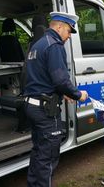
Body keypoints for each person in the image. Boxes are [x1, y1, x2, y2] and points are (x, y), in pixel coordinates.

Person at [23, 11, 88, 187]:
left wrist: (62, 93)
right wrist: (77, 94)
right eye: (68, 31)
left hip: (32, 106)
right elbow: (60, 80)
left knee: (38, 153)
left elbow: (40, 78)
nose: (68, 37)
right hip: (46, 112)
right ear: (59, 27)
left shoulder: (37, 44)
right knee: (48, 158)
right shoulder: (55, 45)